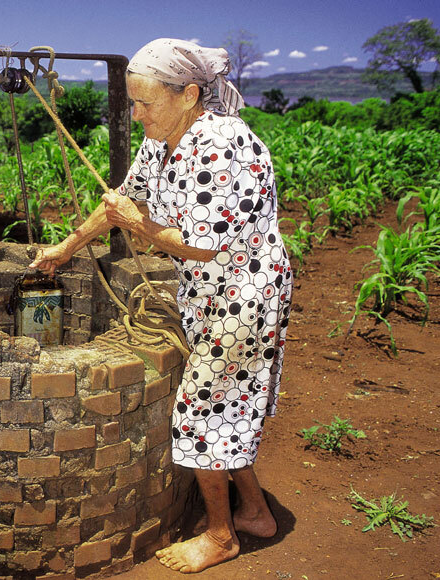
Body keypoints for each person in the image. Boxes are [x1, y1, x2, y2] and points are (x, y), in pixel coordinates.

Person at [30, 38, 292, 573]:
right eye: (132, 102)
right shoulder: (162, 139)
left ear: (189, 93)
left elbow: (202, 243)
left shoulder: (224, 145)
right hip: (208, 288)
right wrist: (64, 248)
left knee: (203, 410)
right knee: (227, 403)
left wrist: (137, 223)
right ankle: (257, 512)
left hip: (244, 293)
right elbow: (120, 203)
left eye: (145, 102)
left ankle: (221, 536)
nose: (136, 113)